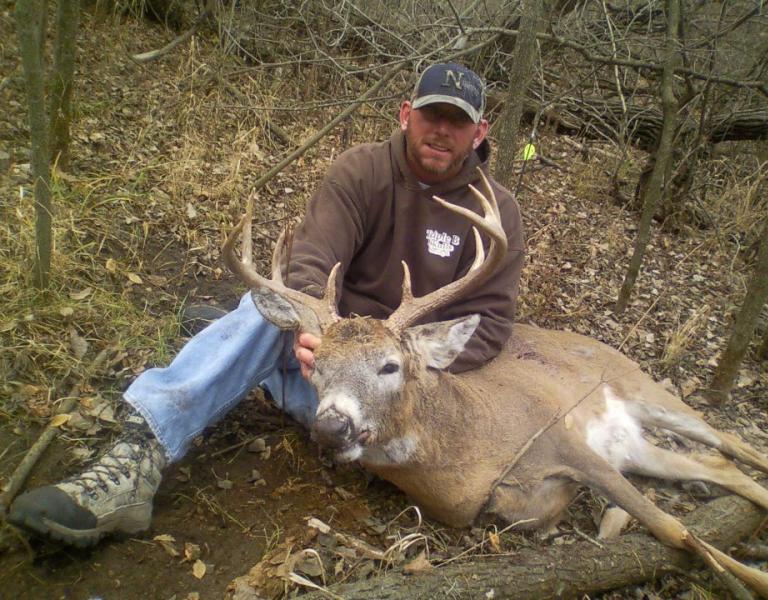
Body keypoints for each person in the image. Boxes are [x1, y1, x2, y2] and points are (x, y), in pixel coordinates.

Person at [8, 62, 525, 547]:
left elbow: (492, 319)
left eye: (457, 123)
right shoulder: (361, 171)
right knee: (264, 310)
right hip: (327, 357)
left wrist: (410, 363)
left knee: (254, 332)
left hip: (397, 393)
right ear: (406, 114)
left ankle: (239, 357)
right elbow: (311, 262)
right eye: (432, 115)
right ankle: (140, 452)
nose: (441, 131)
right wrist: (319, 333)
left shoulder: (497, 212)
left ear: (478, 134)